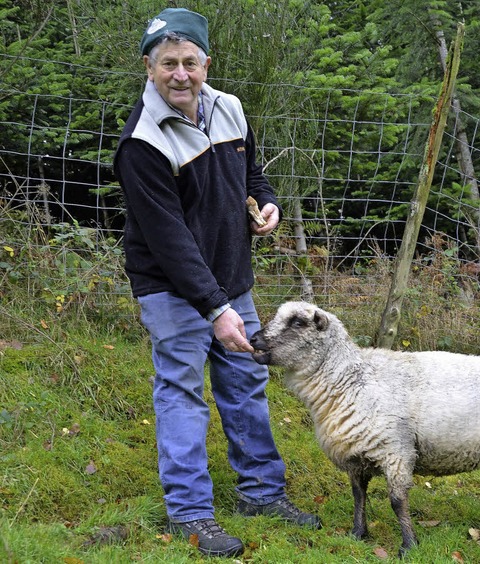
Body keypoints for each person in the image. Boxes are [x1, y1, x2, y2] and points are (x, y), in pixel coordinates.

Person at [113, 7, 321, 558]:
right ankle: (191, 513)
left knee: (245, 383)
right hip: (171, 288)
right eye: (167, 64)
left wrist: (268, 201)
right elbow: (169, 241)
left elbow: (252, 174)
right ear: (148, 67)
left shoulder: (229, 107)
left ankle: (261, 493)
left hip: (232, 280)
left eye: (189, 62)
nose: (180, 74)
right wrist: (216, 309)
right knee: (183, 396)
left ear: (207, 62)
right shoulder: (142, 142)